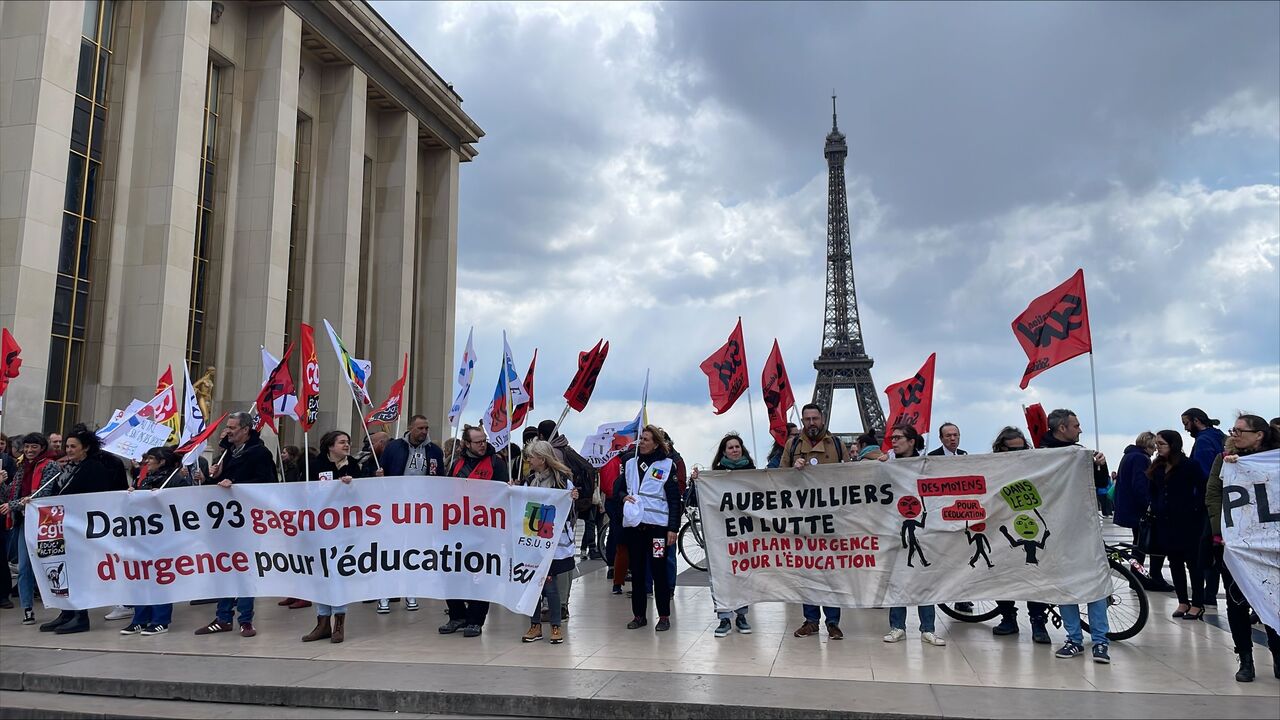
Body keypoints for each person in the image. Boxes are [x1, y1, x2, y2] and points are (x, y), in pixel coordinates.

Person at [13, 425, 127, 634]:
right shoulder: (67, 468)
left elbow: (94, 500)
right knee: (64, 572)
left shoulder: (94, 469)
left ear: (86, 448)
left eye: (73, 446)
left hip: (82, 529)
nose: (69, 450)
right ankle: (66, 611)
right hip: (64, 529)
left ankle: (80, 616)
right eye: (67, 446)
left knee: (78, 573)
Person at [1206, 415, 1279, 682]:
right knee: (1237, 602)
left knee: (1272, 598)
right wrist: (1223, 530)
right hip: (1235, 546)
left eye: (1239, 430)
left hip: (1269, 545)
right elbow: (1213, 495)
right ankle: (1245, 658)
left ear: (1259, 434)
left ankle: (1278, 652)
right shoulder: (1224, 460)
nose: (1234, 434)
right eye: (1233, 430)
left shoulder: (1274, 461)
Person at [194, 412, 276, 638]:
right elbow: (220, 485)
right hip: (225, 523)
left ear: (245, 429)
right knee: (224, 567)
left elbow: (268, 483)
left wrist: (236, 484)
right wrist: (211, 478)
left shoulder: (259, 453)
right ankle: (222, 617)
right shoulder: (227, 453)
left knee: (244, 569)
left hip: (247, 522)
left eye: (232, 427)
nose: (228, 431)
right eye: (227, 427)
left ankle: (246, 619)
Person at [1043, 408, 1111, 664]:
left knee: (1094, 584)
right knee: (1066, 585)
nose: (1080, 429)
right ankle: (1074, 638)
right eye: (1075, 425)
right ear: (1062, 428)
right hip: (1058, 530)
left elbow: (1101, 486)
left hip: (1084, 527)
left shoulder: (1081, 453)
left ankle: (1100, 641)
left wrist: (1101, 466)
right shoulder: (1042, 456)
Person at [299, 430, 372, 644]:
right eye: (342, 442)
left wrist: (353, 486)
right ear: (330, 446)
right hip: (319, 527)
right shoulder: (315, 464)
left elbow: (362, 497)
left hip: (342, 529)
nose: (347, 445)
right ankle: (322, 621)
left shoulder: (353, 466)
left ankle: (339, 621)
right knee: (321, 573)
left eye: (348, 442)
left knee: (337, 573)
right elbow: (303, 490)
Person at [783, 403, 848, 639]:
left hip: (830, 519)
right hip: (804, 518)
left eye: (815, 419)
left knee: (831, 571)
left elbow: (851, 477)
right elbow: (780, 481)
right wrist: (792, 469)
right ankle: (811, 620)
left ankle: (832, 622)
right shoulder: (793, 445)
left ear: (822, 419)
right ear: (802, 420)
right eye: (807, 419)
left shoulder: (837, 445)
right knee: (807, 571)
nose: (811, 423)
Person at [439, 425, 508, 638]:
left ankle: (476, 620)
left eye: (484, 440)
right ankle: (457, 614)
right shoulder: (456, 464)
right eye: (478, 441)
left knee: (480, 575)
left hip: (484, 530)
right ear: (466, 444)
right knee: (451, 571)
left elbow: (502, 493)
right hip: (457, 526)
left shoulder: (496, 463)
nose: (482, 444)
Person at [880, 424, 946, 647]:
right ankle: (897, 626)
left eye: (898, 438)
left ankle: (927, 628)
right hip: (894, 530)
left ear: (911, 441)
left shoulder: (926, 466)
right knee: (897, 581)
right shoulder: (886, 465)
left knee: (924, 581)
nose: (894, 441)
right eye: (892, 437)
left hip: (921, 530)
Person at [989, 426, 1053, 643]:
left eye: (1022, 448)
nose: (1018, 453)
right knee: (1003, 575)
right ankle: (1008, 617)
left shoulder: (1034, 465)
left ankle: (1037, 621)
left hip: (1027, 523)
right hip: (1002, 526)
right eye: (1012, 449)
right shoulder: (991, 468)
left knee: (1034, 577)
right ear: (1000, 449)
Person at [120, 447, 192, 636]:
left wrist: (163, 499)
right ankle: (140, 619)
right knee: (141, 577)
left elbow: (184, 508)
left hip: (165, 538)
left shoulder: (177, 480)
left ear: (162, 461)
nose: (147, 462)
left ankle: (160, 619)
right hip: (144, 536)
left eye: (151, 459)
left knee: (160, 578)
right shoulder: (145, 479)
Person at [374, 415, 443, 614]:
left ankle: (411, 590)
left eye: (426, 428)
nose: (424, 432)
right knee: (390, 551)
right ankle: (384, 594)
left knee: (415, 551)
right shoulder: (394, 447)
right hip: (394, 508)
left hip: (420, 511)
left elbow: (439, 478)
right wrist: (378, 476)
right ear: (410, 428)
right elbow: (379, 470)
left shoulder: (434, 451)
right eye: (420, 428)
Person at [689, 433, 754, 638]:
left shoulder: (753, 473)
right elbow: (694, 500)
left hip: (744, 532)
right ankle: (724, 616)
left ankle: (742, 614)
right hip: (721, 533)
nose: (734, 450)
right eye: (730, 447)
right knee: (721, 574)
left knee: (743, 574)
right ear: (723, 452)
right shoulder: (714, 476)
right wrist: (696, 482)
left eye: (737, 447)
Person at [514, 439, 577, 645]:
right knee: (534, 585)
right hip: (533, 540)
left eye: (531, 457)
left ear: (542, 458)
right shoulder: (529, 480)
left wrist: (573, 495)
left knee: (549, 586)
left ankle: (555, 625)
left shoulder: (561, 481)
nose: (529, 460)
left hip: (553, 541)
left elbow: (570, 503)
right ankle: (535, 625)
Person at [620, 425, 680, 632]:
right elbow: (618, 489)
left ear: (655, 443)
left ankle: (663, 616)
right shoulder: (629, 463)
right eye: (641, 439)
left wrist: (673, 528)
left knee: (659, 571)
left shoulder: (667, 465)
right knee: (636, 572)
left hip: (658, 528)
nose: (642, 442)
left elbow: (674, 499)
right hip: (635, 526)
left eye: (646, 439)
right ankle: (639, 616)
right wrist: (622, 497)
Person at [0, 433, 60, 625]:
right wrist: (1, 483)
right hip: (22, 522)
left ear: (42, 447)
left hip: (43, 523)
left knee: (50, 566)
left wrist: (13, 505)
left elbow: (41, 495)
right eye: (26, 447)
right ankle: (27, 608)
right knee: (24, 567)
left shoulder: (50, 466)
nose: (29, 450)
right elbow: (10, 495)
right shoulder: (21, 467)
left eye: (33, 446)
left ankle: (63, 604)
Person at [1147, 430, 1208, 620]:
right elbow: (1153, 491)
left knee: (1193, 564)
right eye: (1157, 444)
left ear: (1173, 444)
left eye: (1162, 444)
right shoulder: (1157, 466)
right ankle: (1182, 600)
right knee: (1174, 563)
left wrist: (1194, 507)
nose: (1158, 447)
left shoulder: (1189, 465)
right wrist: (1156, 507)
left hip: (1188, 523)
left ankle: (1197, 603)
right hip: (1166, 522)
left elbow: (1204, 488)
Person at [1114, 432, 1170, 590]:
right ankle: (1144, 577)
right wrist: (1149, 505)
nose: (1156, 449)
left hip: (1130, 508)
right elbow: (1140, 485)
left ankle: (1137, 577)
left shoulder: (1130, 456)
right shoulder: (1140, 458)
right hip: (1138, 510)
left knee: (1138, 544)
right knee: (1144, 545)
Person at [1182, 408, 1226, 609]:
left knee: (1205, 548)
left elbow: (1203, 473)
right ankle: (1211, 592)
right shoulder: (1219, 436)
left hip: (1206, 502)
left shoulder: (1203, 441)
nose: (1185, 427)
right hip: (1223, 501)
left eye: (1186, 423)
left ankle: (1208, 594)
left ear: (1196, 421)